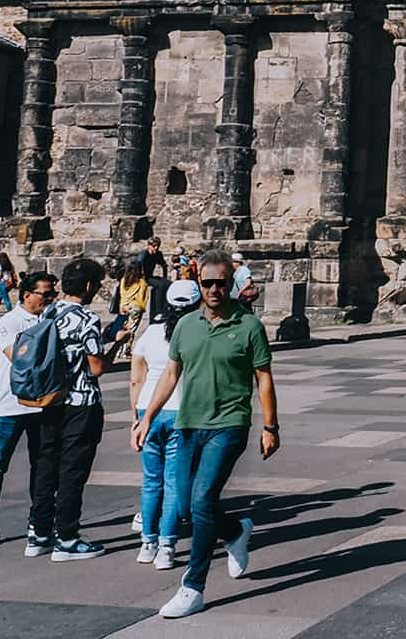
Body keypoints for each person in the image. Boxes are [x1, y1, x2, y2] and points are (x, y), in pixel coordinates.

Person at [133, 249, 280, 620]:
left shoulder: (249, 327)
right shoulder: (186, 326)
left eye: (221, 283)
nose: (214, 289)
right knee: (185, 504)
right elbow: (170, 374)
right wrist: (147, 416)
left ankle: (192, 586)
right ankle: (234, 531)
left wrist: (270, 426)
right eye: (208, 283)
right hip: (188, 423)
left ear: (232, 284)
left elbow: (263, 378)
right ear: (198, 283)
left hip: (229, 424)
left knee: (201, 500)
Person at [28, 257, 122, 561]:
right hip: (81, 403)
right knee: (72, 471)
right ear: (90, 286)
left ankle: (39, 533)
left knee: (46, 466)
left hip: (50, 399)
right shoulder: (86, 317)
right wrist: (118, 343)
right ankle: (67, 539)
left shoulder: (48, 311)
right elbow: (96, 368)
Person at [0, 271, 58, 550]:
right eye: (45, 294)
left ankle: (39, 523)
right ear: (26, 295)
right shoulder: (10, 322)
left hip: (42, 405)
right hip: (11, 404)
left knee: (42, 469)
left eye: (52, 294)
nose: (49, 299)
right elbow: (20, 359)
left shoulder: (50, 318)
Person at [130, 280, 201, 570]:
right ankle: (167, 546)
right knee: (173, 482)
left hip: (149, 408)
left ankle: (148, 543)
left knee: (151, 481)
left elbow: (136, 378)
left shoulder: (149, 334)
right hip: (181, 411)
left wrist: (137, 418)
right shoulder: (196, 332)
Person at [115, 257, 151, 357]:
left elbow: (121, 293)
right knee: (131, 330)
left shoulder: (123, 280)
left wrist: (123, 305)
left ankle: (118, 349)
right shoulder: (141, 283)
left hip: (124, 306)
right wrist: (142, 308)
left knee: (122, 328)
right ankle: (126, 351)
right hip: (135, 307)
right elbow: (142, 298)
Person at [0, 252, 19, 316]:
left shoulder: (0, 266)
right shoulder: (10, 265)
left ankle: (10, 313)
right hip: (9, 283)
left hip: (3, 282)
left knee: (6, 299)